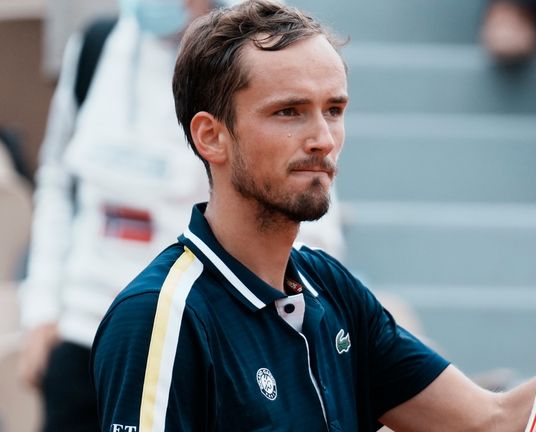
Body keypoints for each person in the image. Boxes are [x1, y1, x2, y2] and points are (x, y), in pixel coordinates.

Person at [91, 1, 536, 430]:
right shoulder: (163, 315)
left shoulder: (334, 293)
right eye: (288, 112)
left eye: (335, 109)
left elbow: (505, 425)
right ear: (211, 136)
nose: (323, 137)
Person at [18, 0, 344, 431]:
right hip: (85, 335)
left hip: (197, 341)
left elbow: (302, 209)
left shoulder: (259, 65)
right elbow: (58, 180)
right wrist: (41, 310)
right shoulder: (98, 46)